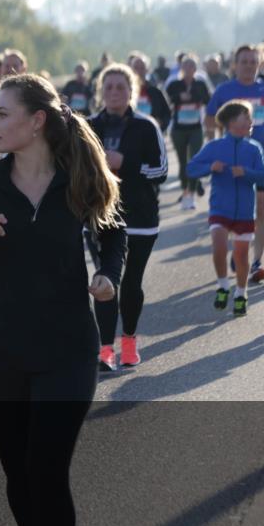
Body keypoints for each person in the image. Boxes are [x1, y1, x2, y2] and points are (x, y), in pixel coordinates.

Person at [0, 73, 125, 526]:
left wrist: (107, 274)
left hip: (68, 350)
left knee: (46, 468)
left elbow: (113, 232)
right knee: (18, 475)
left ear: (36, 121)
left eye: (2, 113)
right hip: (0, 354)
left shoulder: (76, 178)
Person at [89, 63, 168, 371]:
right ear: (100, 92)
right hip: (101, 216)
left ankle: (130, 341)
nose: (114, 93)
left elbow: (161, 171)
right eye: (108, 87)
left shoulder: (147, 126)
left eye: (121, 87)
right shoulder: (90, 127)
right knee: (104, 281)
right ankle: (105, 348)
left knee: (131, 282)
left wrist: (127, 163)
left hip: (141, 217)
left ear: (132, 91)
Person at [207, 45, 264, 283]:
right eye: (244, 61)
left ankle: (256, 260)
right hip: (231, 163)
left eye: (253, 61)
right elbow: (209, 120)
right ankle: (240, 250)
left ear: (259, 64)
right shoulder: (224, 90)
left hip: (261, 158)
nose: (249, 65)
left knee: (260, 209)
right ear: (235, 65)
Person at [187, 101, 264, 316]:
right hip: (220, 208)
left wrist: (246, 172)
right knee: (219, 247)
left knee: (241, 257)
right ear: (232, 122)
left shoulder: (253, 148)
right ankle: (223, 285)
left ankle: (241, 293)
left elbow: (263, 176)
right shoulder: (214, 147)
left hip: (244, 211)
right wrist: (209, 167)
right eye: (246, 117)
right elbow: (191, 169)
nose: (251, 122)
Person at [166, 54, 212, 210]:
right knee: (182, 162)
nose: (188, 69)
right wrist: (180, 97)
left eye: (192, 66)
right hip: (179, 128)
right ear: (181, 68)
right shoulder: (174, 85)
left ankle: (191, 193)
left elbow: (207, 100)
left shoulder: (200, 84)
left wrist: (192, 96)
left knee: (194, 159)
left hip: (195, 128)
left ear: (195, 68)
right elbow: (168, 100)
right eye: (185, 66)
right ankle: (185, 189)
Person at [129, 54, 172, 132]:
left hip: (150, 134)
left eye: (142, 68)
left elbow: (166, 114)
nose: (138, 71)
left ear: (147, 70)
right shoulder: (124, 92)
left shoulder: (156, 92)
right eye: (136, 67)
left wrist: (160, 126)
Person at [0, 50, 28, 119]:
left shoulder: (29, 94)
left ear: (23, 68)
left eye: (15, 66)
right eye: (7, 66)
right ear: (1, 68)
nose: (11, 69)